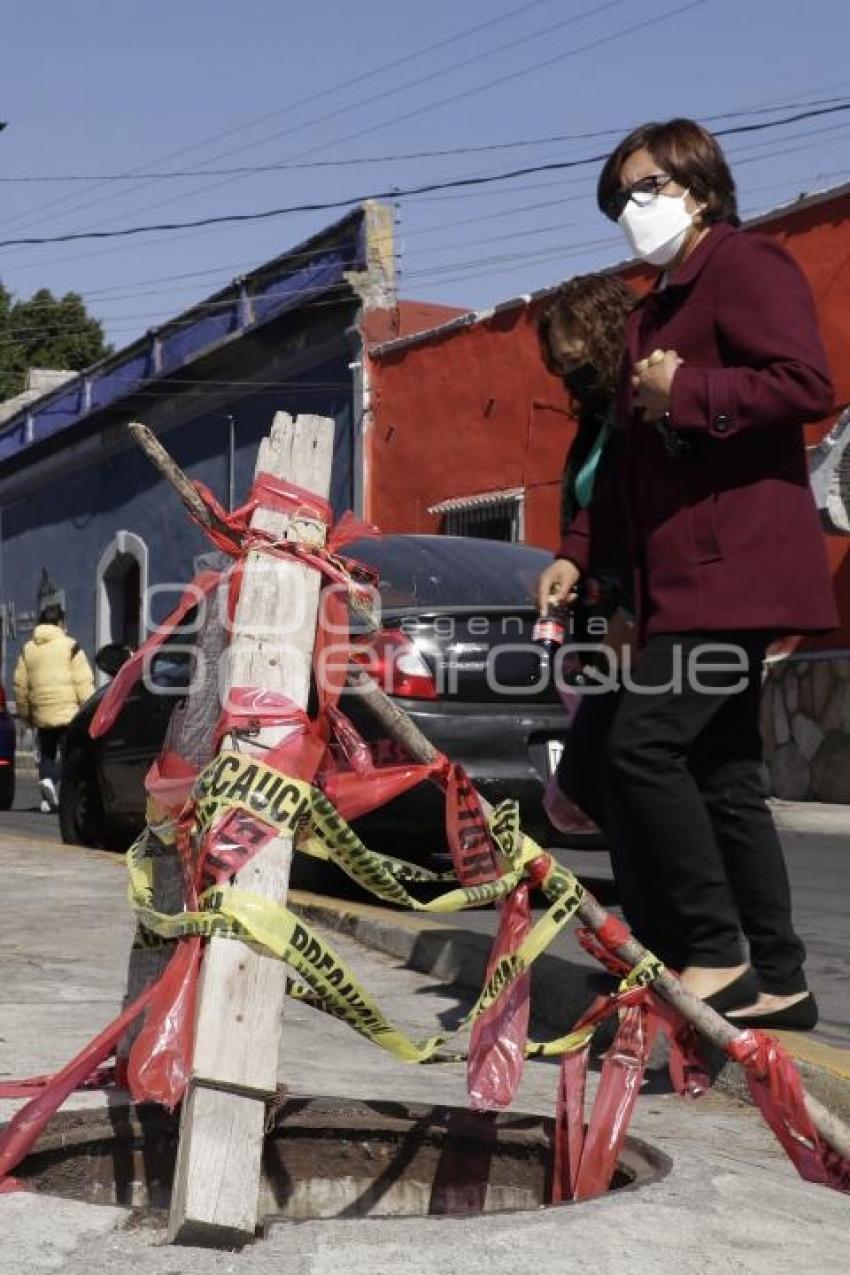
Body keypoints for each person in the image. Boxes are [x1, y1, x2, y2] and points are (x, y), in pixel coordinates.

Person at [539, 118, 837, 1030]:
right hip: (680, 581)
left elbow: (806, 385)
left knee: (641, 747)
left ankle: (712, 956)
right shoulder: (649, 314)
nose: (634, 209)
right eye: (621, 197)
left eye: (648, 188)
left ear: (701, 188)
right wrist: (578, 553)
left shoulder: (748, 268)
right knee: (722, 770)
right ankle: (781, 977)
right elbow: (627, 464)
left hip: (736, 567)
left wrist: (693, 393)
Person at [535, 275, 635, 831]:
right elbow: (592, 516)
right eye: (560, 359)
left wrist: (632, 611)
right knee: (607, 780)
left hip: (637, 617)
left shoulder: (640, 414)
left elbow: (637, 517)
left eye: (578, 353)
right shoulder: (596, 422)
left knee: (615, 769)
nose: (569, 367)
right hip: (598, 622)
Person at [14, 604, 95, 813]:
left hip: (41, 712)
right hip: (69, 712)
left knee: (47, 754)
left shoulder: (28, 649)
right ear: (60, 623)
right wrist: (90, 709)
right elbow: (83, 681)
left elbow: (20, 685)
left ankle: (46, 794)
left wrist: (25, 714)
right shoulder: (71, 646)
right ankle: (52, 782)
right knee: (69, 755)